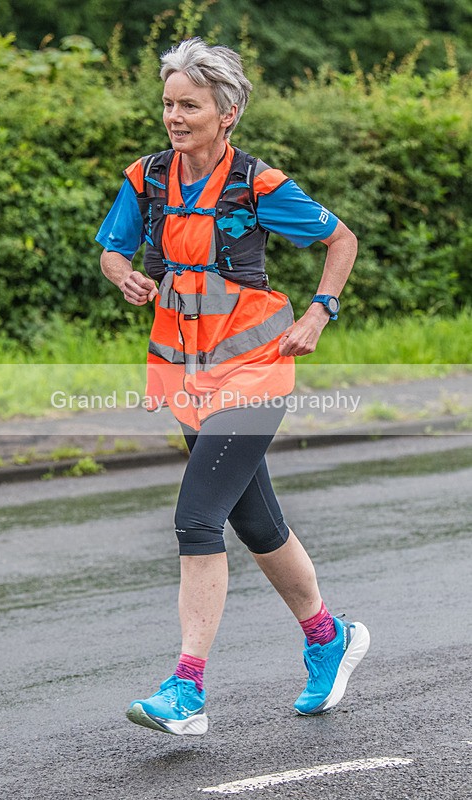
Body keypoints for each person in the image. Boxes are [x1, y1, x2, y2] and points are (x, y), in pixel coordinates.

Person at [96, 37, 369, 736]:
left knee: (196, 519)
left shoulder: (259, 186)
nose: (174, 116)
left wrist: (318, 311)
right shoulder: (147, 178)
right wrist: (121, 272)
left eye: (189, 104)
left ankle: (185, 689)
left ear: (227, 112)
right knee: (255, 523)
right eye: (167, 103)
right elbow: (112, 247)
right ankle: (326, 638)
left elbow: (341, 240)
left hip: (255, 373)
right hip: (187, 378)